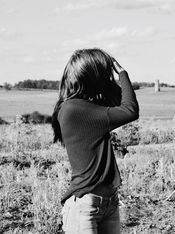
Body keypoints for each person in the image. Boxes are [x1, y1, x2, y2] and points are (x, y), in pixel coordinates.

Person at [51, 48, 139, 234]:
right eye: (103, 74)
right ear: (92, 77)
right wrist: (122, 73)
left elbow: (118, 100)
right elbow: (130, 110)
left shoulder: (88, 107)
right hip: (86, 205)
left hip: (108, 203)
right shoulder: (74, 109)